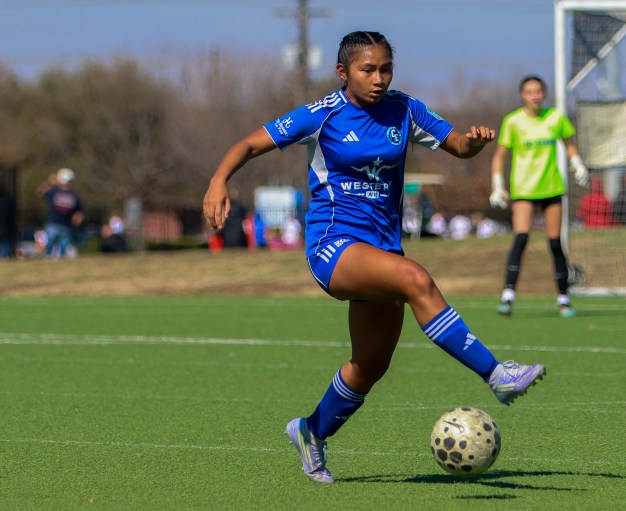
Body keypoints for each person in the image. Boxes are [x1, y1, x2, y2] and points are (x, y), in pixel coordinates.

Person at [202, 31, 546, 484]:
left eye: (386, 69)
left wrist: (475, 143)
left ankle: (310, 431)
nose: (379, 78)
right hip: (332, 247)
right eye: (368, 70)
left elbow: (457, 145)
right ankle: (497, 373)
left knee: (370, 365)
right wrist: (217, 181)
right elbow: (248, 145)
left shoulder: (404, 109)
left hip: (381, 248)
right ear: (343, 72)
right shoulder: (321, 115)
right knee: (416, 279)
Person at [489, 75, 589, 318]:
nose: (534, 96)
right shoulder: (513, 121)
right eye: (529, 92)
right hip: (523, 189)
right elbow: (499, 155)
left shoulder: (555, 117)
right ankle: (508, 295)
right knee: (521, 238)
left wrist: (577, 163)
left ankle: (564, 298)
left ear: (544, 94)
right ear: (522, 95)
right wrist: (497, 184)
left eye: (537, 91)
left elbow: (569, 143)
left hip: (552, 188)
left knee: (555, 243)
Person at [36, 168, 84, 258]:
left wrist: (77, 219)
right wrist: (50, 183)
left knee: (62, 249)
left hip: (64, 226)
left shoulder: (73, 195)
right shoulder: (55, 192)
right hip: (54, 225)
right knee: (50, 246)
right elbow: (40, 192)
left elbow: (79, 212)